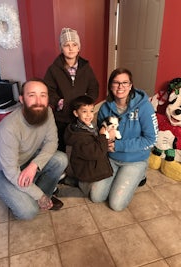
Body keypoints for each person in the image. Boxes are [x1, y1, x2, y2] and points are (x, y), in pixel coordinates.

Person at [0, 78, 68, 220]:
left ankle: (41, 194)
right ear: (22, 99)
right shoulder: (8, 128)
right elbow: (11, 172)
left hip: (27, 159)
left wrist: (34, 165)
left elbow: (52, 142)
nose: (38, 101)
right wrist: (38, 195)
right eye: (32, 95)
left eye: (43, 95)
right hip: (3, 170)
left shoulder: (47, 112)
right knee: (28, 212)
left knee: (61, 159)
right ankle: (29, 193)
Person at [90, 68, 158, 211]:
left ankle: (140, 175)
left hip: (135, 159)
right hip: (112, 157)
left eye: (125, 83)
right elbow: (101, 134)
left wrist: (119, 145)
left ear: (131, 85)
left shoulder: (144, 107)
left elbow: (151, 139)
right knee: (96, 196)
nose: (120, 87)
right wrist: (105, 143)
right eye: (116, 83)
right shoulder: (104, 108)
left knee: (116, 204)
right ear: (110, 86)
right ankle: (118, 178)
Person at [44, 27, 99, 152]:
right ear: (61, 48)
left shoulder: (86, 68)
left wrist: (87, 104)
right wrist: (59, 102)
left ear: (78, 47)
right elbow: (48, 90)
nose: (71, 48)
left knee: (81, 141)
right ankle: (63, 165)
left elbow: (94, 87)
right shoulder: (53, 69)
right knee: (61, 143)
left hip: (81, 114)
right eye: (66, 45)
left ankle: (79, 163)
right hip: (62, 116)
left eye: (74, 45)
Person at [64, 95, 113, 194]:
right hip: (87, 172)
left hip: (89, 165)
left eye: (91, 111)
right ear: (76, 113)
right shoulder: (79, 136)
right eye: (84, 111)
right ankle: (80, 183)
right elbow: (96, 152)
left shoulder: (89, 126)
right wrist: (103, 135)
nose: (89, 115)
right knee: (99, 192)